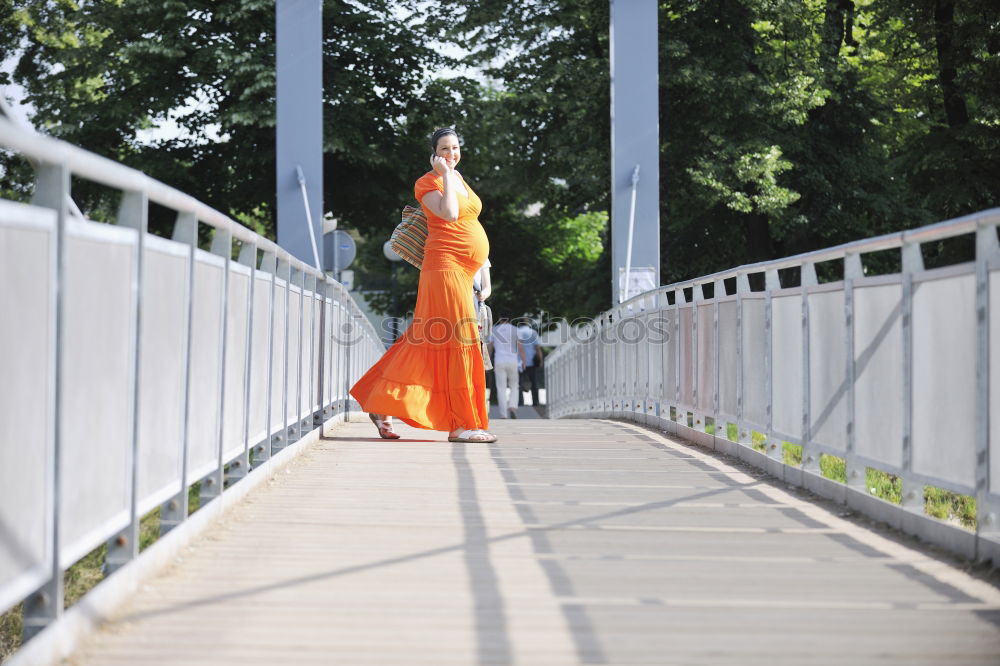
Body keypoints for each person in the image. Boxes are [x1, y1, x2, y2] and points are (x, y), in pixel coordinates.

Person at [351, 127, 497, 443]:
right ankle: (460, 425)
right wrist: (443, 174)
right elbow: (450, 212)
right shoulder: (428, 182)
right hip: (444, 267)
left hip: (464, 269)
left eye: (455, 148)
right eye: (444, 148)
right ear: (434, 153)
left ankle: (379, 401)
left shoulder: (460, 180)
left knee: (428, 337)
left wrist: (483, 273)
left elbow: (470, 220)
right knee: (456, 338)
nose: (451, 154)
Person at [489, 316, 525, 419]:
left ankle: (503, 414)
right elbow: (520, 347)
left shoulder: (494, 330)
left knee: (501, 388)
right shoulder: (516, 329)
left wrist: (486, 361)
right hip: (513, 361)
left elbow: (490, 347)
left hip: (499, 361)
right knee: (514, 385)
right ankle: (513, 407)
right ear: (509, 318)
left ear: (500, 318)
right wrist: (523, 360)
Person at [517, 320, 544, 407]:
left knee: (519, 383)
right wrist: (540, 360)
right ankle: (535, 402)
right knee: (534, 383)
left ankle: (520, 402)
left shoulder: (516, 332)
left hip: (519, 362)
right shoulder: (533, 332)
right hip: (531, 362)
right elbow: (537, 348)